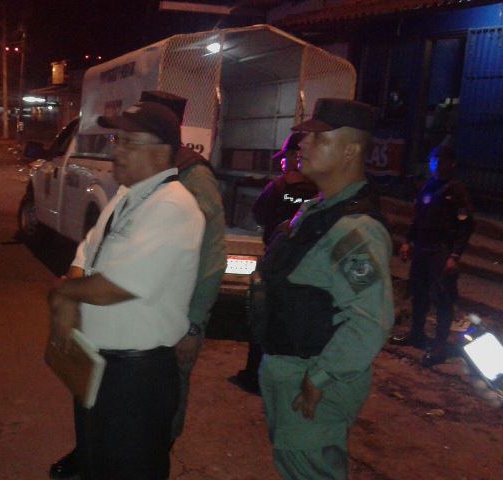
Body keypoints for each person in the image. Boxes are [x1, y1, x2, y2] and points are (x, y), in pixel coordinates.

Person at [48, 91, 225, 479]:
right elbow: (86, 253)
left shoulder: (173, 206)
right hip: (101, 365)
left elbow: (115, 286)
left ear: (162, 151)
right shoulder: (128, 196)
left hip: (136, 377)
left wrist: (64, 294)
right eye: (117, 140)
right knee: (96, 464)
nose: (117, 151)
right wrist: (71, 297)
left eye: (129, 142)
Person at [252, 98, 393, 480]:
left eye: (319, 138)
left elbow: (371, 321)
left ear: (350, 151)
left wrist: (320, 378)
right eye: (305, 137)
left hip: (312, 379)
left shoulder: (354, 230)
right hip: (292, 370)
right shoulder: (320, 210)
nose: (302, 144)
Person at [231, 132, 318, 395]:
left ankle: (254, 376)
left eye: (284, 157)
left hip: (278, 261)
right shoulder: (319, 189)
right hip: (307, 265)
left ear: (294, 155)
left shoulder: (279, 186)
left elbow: (259, 213)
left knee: (264, 316)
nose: (282, 162)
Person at [391, 144, 474, 367]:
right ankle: (416, 334)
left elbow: (466, 226)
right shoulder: (429, 185)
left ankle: (439, 347)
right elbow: (418, 217)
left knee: (442, 298)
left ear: (451, 163)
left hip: (442, 250)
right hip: (422, 248)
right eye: (433, 160)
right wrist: (408, 241)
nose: (436, 164)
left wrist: (454, 255)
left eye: (441, 160)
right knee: (419, 293)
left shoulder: (456, 191)